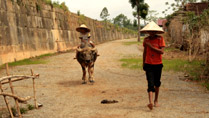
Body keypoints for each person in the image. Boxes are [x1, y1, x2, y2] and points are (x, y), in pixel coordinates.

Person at [141, 21, 165, 110]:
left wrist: (151, 47)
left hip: (158, 64)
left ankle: (156, 100)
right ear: (148, 32)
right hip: (148, 64)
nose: (152, 33)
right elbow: (145, 52)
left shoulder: (160, 39)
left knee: (157, 83)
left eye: (153, 31)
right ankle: (150, 102)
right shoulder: (146, 40)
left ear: (156, 32)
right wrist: (143, 63)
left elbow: (162, 51)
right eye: (150, 31)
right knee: (150, 83)